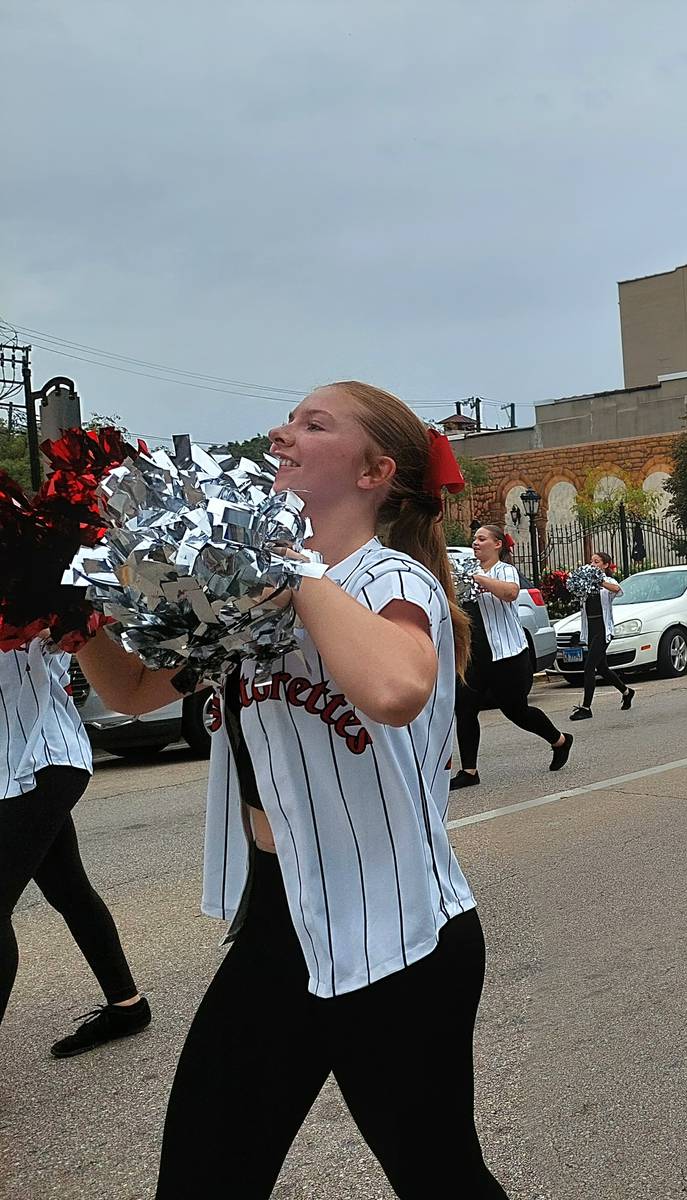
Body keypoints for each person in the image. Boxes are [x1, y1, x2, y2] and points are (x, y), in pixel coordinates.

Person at [77, 382, 508, 1197]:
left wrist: (284, 567)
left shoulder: (393, 581)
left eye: (313, 424)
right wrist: (67, 610)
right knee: (202, 1177)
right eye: (287, 420)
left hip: (400, 937)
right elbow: (133, 689)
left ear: (376, 471)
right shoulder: (245, 592)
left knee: (440, 1178)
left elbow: (393, 690)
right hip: (281, 926)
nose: (282, 434)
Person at [1, 637, 150, 1058]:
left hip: (39, 759)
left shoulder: (27, 578)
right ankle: (127, 1005)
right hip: (15, 764)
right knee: (68, 889)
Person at [450, 523, 572, 789]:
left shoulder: (504, 571)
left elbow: (510, 593)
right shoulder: (464, 575)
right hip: (475, 657)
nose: (476, 543)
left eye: (482, 539)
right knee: (465, 709)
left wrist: (479, 578)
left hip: (508, 655)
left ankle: (560, 740)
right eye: (474, 539)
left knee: (516, 711)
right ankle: (469, 771)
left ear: (497, 544)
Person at [570, 550, 634, 721]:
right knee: (602, 668)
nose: (593, 565)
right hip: (590, 629)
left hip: (603, 630)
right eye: (591, 562)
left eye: (597, 562)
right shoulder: (586, 583)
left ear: (605, 565)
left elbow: (618, 590)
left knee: (589, 667)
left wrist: (599, 582)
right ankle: (627, 692)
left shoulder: (608, 581)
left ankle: (586, 707)